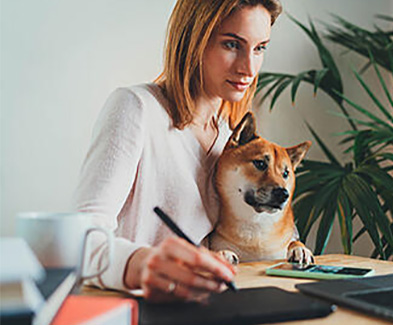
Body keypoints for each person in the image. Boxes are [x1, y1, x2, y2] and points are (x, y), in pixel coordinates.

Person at [74, 0, 283, 302]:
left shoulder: (231, 139)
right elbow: (79, 239)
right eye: (231, 44)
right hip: (134, 309)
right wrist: (138, 263)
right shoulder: (136, 108)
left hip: (206, 309)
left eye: (260, 48)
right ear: (193, 40)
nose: (248, 68)